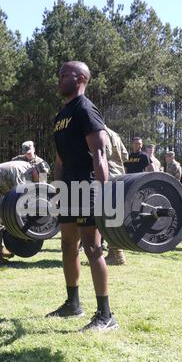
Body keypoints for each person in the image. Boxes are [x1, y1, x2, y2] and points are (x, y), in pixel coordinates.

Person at [46, 60, 119, 332]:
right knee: (67, 245)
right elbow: (59, 158)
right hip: (68, 187)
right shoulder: (60, 116)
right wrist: (57, 188)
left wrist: (104, 193)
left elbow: (99, 155)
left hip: (87, 187)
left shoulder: (86, 109)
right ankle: (73, 303)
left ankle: (106, 314)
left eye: (63, 74)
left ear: (79, 78)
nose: (59, 78)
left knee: (92, 247)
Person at [0, 160, 42, 265]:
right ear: (35, 171)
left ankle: (3, 249)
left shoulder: (29, 170)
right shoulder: (21, 172)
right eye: (39, 176)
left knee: (5, 216)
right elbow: (20, 199)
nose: (39, 181)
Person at [104, 126, 128, 266]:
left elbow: (104, 153)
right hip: (120, 174)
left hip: (109, 175)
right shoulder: (115, 134)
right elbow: (125, 155)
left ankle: (117, 255)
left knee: (110, 216)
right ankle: (114, 253)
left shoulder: (101, 132)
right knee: (113, 216)